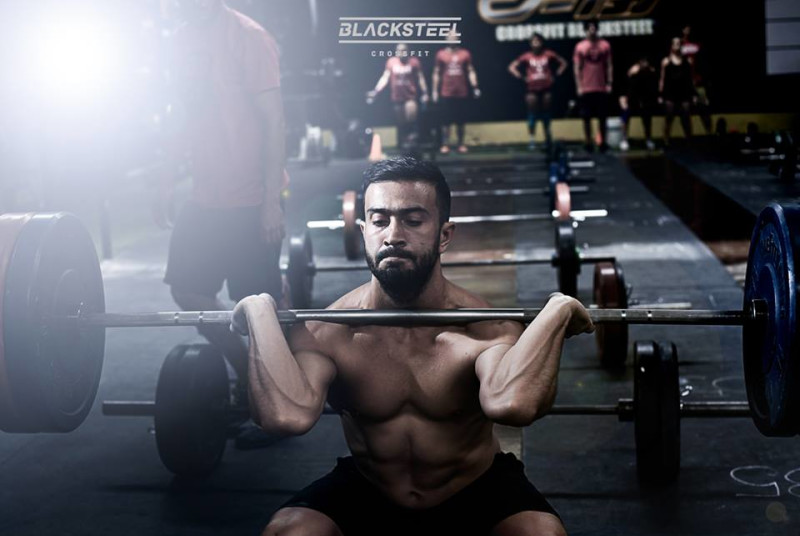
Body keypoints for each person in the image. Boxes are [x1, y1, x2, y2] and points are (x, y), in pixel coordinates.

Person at [231, 156, 594, 536]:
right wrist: (260, 311)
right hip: (370, 487)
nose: (393, 235)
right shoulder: (329, 329)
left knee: (541, 533)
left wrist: (557, 311)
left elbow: (513, 404)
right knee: (288, 532)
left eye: (413, 220)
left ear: (444, 234)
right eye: (379, 220)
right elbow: (285, 416)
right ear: (362, 231)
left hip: (474, 487)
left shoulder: (484, 327)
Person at [155, 0, 286, 419]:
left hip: (250, 198)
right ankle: (248, 376)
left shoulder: (248, 37)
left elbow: (274, 121)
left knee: (260, 310)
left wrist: (271, 202)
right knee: (188, 292)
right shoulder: (180, 38)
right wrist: (166, 179)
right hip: (205, 197)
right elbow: (181, 113)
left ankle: (278, 395)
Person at [508, 33, 568, 152]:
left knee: (546, 113)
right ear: (530, 43)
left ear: (542, 42)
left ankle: (547, 137)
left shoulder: (548, 54)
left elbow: (564, 63)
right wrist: (522, 77)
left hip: (546, 88)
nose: (536, 42)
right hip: (532, 89)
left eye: (538, 40)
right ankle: (532, 138)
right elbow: (511, 67)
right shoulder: (527, 56)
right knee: (532, 114)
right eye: (534, 41)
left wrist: (556, 75)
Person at [367, 44, 429, 152]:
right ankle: (403, 145)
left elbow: (420, 78)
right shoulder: (391, 62)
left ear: (408, 51)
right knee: (401, 123)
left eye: (404, 50)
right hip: (397, 97)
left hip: (410, 96)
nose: (401, 52)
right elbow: (385, 77)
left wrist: (425, 92)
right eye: (399, 50)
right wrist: (376, 91)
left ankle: (413, 145)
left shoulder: (414, 62)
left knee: (411, 120)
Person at [432, 30, 481, 155]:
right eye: (450, 36)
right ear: (446, 38)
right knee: (446, 121)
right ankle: (445, 144)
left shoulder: (465, 54)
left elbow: (470, 70)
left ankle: (461, 144)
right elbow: (436, 72)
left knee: (461, 121)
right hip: (446, 92)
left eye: (455, 37)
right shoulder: (441, 54)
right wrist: (434, 91)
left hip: (461, 93)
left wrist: (475, 86)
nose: (452, 38)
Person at [573, 20, 613, 153]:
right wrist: (579, 86)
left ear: (597, 29)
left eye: (594, 27)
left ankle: (602, 143)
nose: (592, 29)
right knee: (586, 117)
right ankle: (588, 142)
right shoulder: (580, 46)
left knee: (602, 117)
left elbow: (609, 65)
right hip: (586, 87)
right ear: (586, 29)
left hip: (601, 87)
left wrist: (609, 83)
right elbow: (577, 68)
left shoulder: (605, 45)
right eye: (589, 27)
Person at [659, 37, 696, 146]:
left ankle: (688, 138)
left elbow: (690, 79)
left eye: (679, 43)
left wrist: (693, 93)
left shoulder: (687, 61)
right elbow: (662, 78)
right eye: (675, 43)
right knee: (669, 116)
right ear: (671, 46)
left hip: (684, 91)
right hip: (670, 92)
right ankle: (666, 138)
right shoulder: (666, 61)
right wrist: (660, 94)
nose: (677, 45)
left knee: (686, 116)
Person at [618, 57, 658, 151]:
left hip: (644, 98)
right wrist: (622, 99)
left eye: (646, 63)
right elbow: (624, 87)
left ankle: (648, 139)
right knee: (625, 115)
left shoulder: (650, 73)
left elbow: (651, 89)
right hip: (631, 98)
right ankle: (624, 139)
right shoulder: (632, 72)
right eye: (642, 63)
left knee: (647, 117)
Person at [680, 25, 712, 134]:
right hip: (684, 83)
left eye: (689, 29)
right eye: (685, 28)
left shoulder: (698, 43)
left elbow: (704, 62)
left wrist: (702, 79)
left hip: (698, 82)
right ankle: (688, 137)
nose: (687, 31)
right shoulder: (678, 44)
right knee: (685, 110)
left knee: (703, 107)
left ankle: (709, 132)